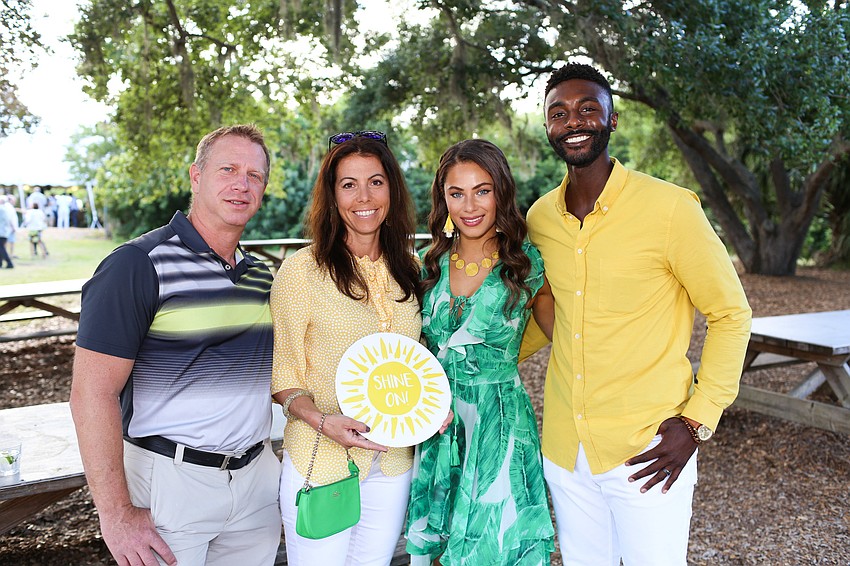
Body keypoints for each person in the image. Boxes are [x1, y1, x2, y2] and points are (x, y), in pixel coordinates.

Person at [525, 62, 752, 565]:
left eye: (587, 108)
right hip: (565, 449)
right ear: (547, 127)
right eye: (559, 113)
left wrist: (697, 420)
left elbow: (731, 313)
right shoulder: (539, 219)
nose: (574, 121)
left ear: (613, 118)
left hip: (648, 448)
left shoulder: (670, 209)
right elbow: (541, 315)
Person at [70, 124, 281, 566]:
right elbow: (92, 393)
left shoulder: (263, 276)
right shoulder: (137, 264)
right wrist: (116, 514)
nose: (242, 184)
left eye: (255, 175)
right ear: (196, 176)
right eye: (228, 169)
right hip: (170, 483)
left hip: (256, 481)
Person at [271, 131, 422, 566]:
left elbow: (416, 363)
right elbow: (284, 380)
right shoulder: (302, 271)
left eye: (376, 181)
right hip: (322, 462)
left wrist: (432, 407)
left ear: (391, 189)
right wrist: (323, 421)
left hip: (393, 463)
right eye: (348, 184)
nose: (364, 196)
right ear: (332, 194)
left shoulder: (409, 271)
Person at [405, 139, 556, 565]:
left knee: (494, 544)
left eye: (482, 190)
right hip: (436, 422)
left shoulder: (526, 265)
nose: (469, 205)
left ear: (501, 192)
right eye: (456, 193)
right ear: (443, 198)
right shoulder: (425, 265)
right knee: (436, 542)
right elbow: (406, 349)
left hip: (499, 426)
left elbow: (572, 339)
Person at [0, 196, 14, 268]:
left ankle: (9, 263)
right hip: (4, 232)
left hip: (1, 232)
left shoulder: (1, 209)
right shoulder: (5, 209)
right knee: (1, 248)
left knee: (1, 248)